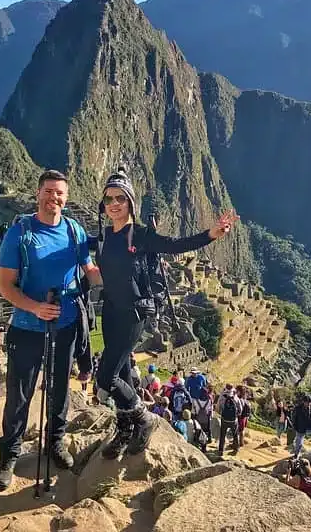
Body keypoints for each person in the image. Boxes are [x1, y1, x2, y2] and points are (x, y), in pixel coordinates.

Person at [94, 166, 238, 460]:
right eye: (108, 199)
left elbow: (176, 245)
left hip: (133, 314)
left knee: (106, 376)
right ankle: (124, 430)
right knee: (121, 371)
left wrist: (211, 234)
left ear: (130, 202)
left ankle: (142, 418)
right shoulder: (105, 236)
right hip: (109, 311)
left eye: (120, 198)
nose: (114, 204)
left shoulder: (142, 236)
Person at [0, 169, 102, 491]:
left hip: (65, 327)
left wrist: (111, 279)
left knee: (59, 390)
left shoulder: (74, 230)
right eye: (50, 191)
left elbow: (88, 268)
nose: (55, 197)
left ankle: (55, 442)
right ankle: (9, 453)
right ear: (38, 193)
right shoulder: (21, 233)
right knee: (19, 394)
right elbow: (5, 286)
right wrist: (35, 307)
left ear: (66, 199)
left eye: (61, 193)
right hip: (27, 328)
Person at [217, 385, 241, 456]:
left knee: (222, 435)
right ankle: (236, 449)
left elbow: (218, 407)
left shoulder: (222, 397)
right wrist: (237, 415)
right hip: (234, 420)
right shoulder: (235, 397)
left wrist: (221, 413)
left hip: (224, 419)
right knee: (235, 434)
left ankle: (221, 450)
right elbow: (240, 409)